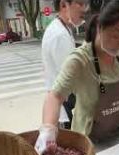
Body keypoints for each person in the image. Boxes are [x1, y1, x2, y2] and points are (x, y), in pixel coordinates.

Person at [36, 0, 119, 153]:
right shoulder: (79, 60)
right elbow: (54, 96)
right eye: (116, 36)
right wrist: (48, 130)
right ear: (101, 26)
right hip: (89, 143)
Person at [41, 0, 88, 129]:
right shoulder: (59, 34)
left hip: (62, 101)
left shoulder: (62, 28)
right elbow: (72, 76)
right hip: (64, 104)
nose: (84, 9)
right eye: (80, 4)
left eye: (85, 4)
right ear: (63, 5)